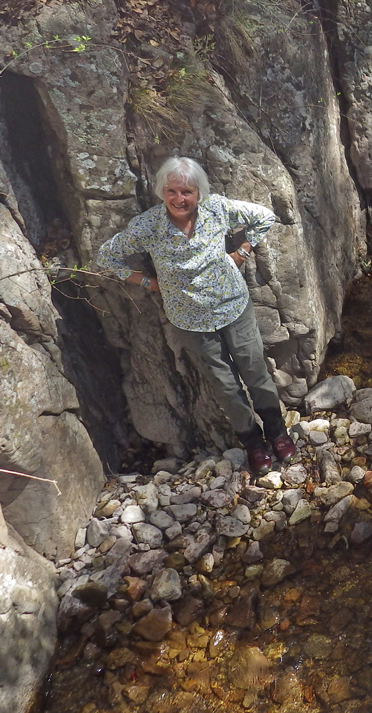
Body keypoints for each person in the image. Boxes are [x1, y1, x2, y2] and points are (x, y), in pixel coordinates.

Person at [96, 156, 295, 475]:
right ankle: (254, 444)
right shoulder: (149, 226)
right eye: (172, 191)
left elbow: (264, 217)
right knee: (226, 388)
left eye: (186, 191)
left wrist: (241, 252)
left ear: (198, 192)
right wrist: (148, 282)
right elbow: (106, 257)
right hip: (190, 322)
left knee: (256, 374)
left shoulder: (216, 209)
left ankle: (278, 433)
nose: (179, 199)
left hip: (233, 307)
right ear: (162, 191)